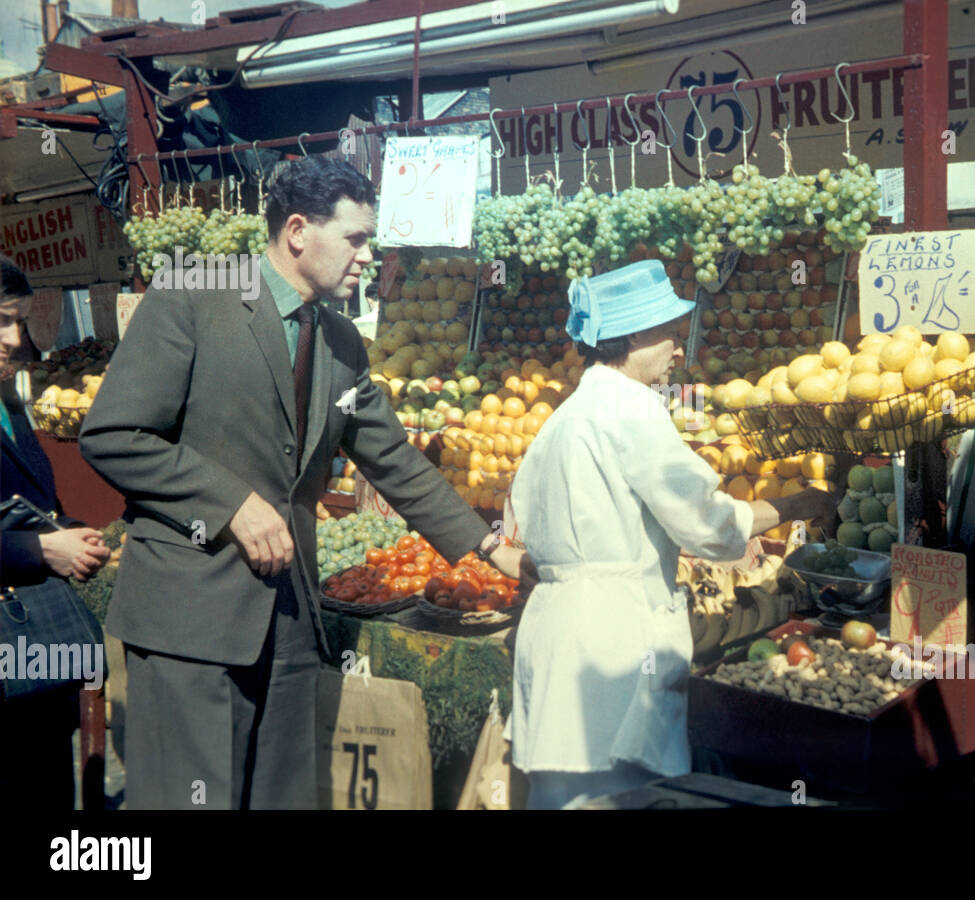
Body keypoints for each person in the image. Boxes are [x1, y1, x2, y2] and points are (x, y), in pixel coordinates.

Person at [79, 157, 531, 810]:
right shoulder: (194, 296)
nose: (367, 256)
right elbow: (115, 435)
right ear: (297, 231)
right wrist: (231, 503)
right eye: (355, 238)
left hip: (288, 620)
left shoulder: (342, 341)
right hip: (191, 626)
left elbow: (395, 462)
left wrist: (491, 548)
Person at [508, 260, 835, 809]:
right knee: (615, 797)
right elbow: (707, 523)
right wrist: (796, 504)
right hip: (610, 646)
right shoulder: (631, 408)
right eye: (669, 334)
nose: (679, 350)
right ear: (633, 336)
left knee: (563, 796)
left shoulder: (567, 416)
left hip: (557, 633)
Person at [0, 255, 112, 808]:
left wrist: (69, 531)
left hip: (31, 663)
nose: (13, 338)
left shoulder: (8, 400)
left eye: (17, 320)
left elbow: (29, 501)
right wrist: (40, 549)